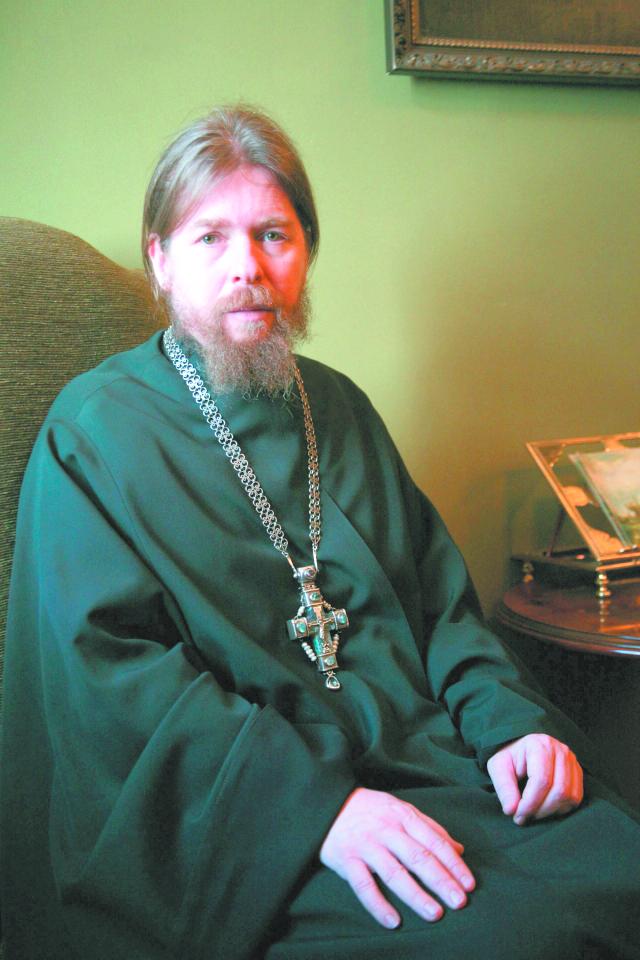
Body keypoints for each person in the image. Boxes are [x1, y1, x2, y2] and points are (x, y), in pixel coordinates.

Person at [1, 105, 639, 960]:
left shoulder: (337, 406)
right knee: (514, 938)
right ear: (160, 260)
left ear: (306, 251)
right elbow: (108, 682)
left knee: (617, 865)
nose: (247, 268)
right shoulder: (92, 434)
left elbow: (441, 609)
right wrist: (313, 813)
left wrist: (511, 722)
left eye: (274, 235)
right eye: (210, 239)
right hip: (241, 822)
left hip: (424, 758)